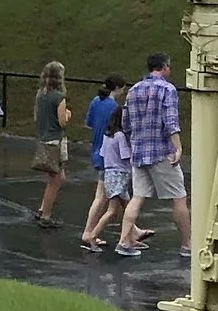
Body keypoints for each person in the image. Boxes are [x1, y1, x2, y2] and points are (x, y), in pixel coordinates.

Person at [118, 50, 186, 256]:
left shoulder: (134, 90)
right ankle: (187, 244)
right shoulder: (168, 89)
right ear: (164, 67)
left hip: (139, 152)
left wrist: (135, 142)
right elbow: (171, 122)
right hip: (161, 151)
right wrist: (178, 147)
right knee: (179, 197)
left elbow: (126, 124)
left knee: (138, 196)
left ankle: (124, 241)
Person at [79, 73, 127, 248]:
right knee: (102, 197)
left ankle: (131, 230)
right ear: (117, 88)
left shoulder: (95, 101)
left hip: (97, 150)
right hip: (109, 157)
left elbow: (89, 123)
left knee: (118, 196)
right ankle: (89, 231)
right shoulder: (114, 107)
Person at [32, 57, 71, 222]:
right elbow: (62, 122)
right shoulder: (59, 97)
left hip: (44, 139)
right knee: (55, 180)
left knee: (58, 177)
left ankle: (42, 209)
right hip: (55, 141)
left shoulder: (41, 96)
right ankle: (46, 215)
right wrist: (68, 114)